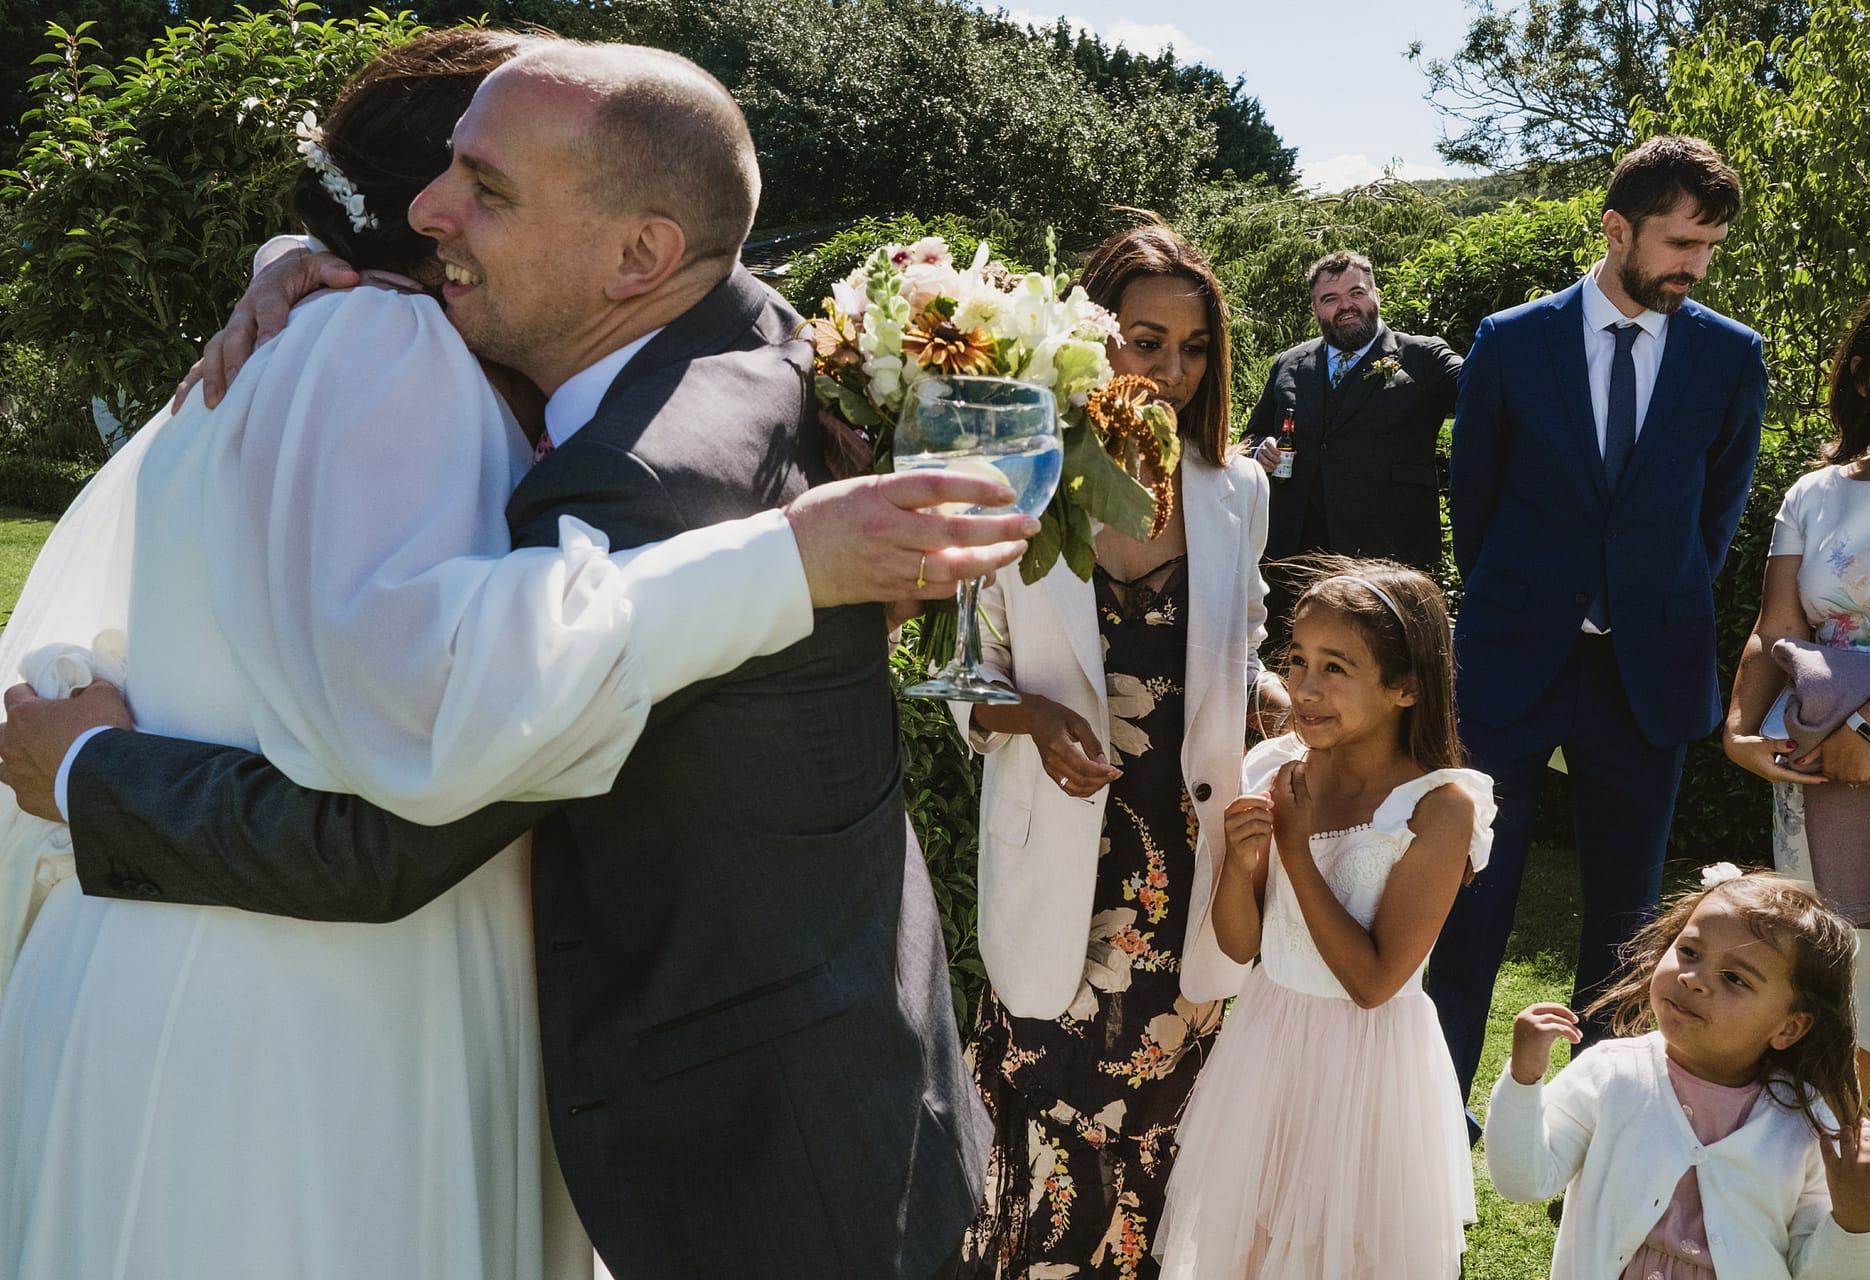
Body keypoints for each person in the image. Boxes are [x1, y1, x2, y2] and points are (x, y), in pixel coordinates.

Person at [0, 39, 1019, 1278]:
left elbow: (389, 830)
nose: (439, 215)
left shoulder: (640, 473)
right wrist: (309, 263)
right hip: (798, 1089)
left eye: (484, 188)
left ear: (639, 255)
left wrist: (97, 776)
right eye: (429, 188)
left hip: (759, 1158)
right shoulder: (733, 346)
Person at [950, 224, 1276, 1277]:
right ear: (1091, 338)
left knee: (1162, 1147)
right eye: (1145, 341)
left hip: (1188, 876)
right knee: (1045, 1135)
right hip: (1062, 864)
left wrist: (1278, 694)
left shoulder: (1236, 491)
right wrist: (1037, 723)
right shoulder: (1011, 477)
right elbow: (964, 679)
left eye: (1192, 349)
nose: (1171, 372)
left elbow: (1247, 641)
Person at [1430, 136, 1769, 1123]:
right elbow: (1475, 503)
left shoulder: (1730, 356)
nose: (1694, 266)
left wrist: (1639, 601)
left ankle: (1590, 1137)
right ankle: (1435, 1121)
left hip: (1645, 669)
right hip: (1510, 659)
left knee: (1629, 927)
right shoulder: (1510, 340)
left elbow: (1715, 517)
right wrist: (1540, 595)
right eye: (1678, 242)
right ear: (1615, 227)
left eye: (1707, 248)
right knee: (1471, 902)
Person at [1153, 559, 1489, 1279]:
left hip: (1369, 1069)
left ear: (1406, 688)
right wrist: (1243, 864)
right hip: (1269, 1041)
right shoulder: (1276, 767)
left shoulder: (1439, 807)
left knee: (1346, 1251)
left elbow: (1374, 982)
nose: (1304, 688)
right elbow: (1243, 946)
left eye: (1336, 668)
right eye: (1297, 660)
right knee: (1248, 1246)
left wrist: (1295, 850)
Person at [1723, 285, 1870, 1279]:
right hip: (1821, 773)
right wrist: (1738, 722)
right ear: (1865, 375)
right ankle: (1829, 1221)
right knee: (1838, 1003)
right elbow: (1777, 626)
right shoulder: (1814, 494)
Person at [1484, 870, 1870, 1280]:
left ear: (1788, 1027)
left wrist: (1856, 1223)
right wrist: (1524, 1079)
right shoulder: (1610, 1073)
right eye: (1690, 952)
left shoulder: (1807, 1124)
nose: (1693, 979)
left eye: (1735, 978)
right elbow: (1525, 1181)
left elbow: (1816, 1275)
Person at [1246, 250, 1463, 583]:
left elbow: (1485, 393)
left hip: (1388, 557)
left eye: (1356, 293)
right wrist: (1261, 449)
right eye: (1330, 298)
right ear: (1316, 308)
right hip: (1292, 557)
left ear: (1376, 295)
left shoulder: (1424, 356)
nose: (1346, 306)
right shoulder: (1289, 363)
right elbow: (1252, 437)